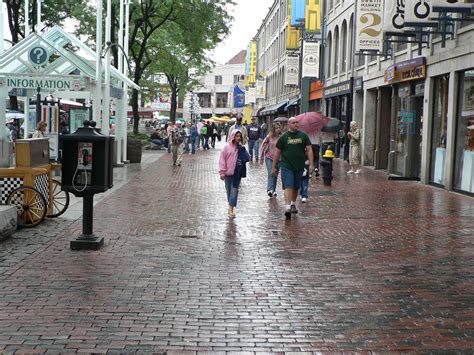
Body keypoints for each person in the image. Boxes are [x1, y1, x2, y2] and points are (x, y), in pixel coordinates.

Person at [272, 116, 314, 219]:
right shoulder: (284, 137)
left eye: (297, 122)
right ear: (288, 125)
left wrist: (312, 164)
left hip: (299, 165)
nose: (296, 124)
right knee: (288, 185)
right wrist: (274, 166)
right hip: (286, 165)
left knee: (296, 187)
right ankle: (287, 207)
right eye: (294, 123)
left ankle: (292, 203)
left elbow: (309, 149)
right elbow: (277, 153)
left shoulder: (303, 136)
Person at [218, 130, 250, 218]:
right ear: (233, 136)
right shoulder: (226, 148)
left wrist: (242, 150)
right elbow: (222, 160)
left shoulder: (241, 148)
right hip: (227, 174)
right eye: (237, 136)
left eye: (240, 136)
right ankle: (230, 206)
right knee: (229, 191)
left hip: (237, 173)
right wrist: (222, 172)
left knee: (234, 191)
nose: (238, 138)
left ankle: (231, 209)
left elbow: (248, 158)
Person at [259, 122, 282, 198]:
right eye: (276, 128)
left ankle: (273, 190)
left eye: (279, 128)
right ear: (273, 129)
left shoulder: (281, 137)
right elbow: (263, 146)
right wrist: (261, 157)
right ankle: (269, 189)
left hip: (278, 159)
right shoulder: (269, 137)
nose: (278, 129)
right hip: (269, 157)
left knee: (275, 173)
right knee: (271, 172)